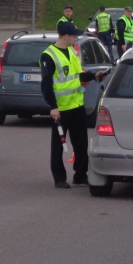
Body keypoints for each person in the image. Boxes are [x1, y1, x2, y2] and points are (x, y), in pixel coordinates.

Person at [41, 22, 106, 188]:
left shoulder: (71, 51)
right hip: (61, 108)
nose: (76, 38)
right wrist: (53, 107)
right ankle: (59, 178)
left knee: (81, 143)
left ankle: (80, 175)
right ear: (65, 36)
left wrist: (94, 76)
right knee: (58, 145)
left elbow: (78, 75)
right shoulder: (48, 55)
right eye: (74, 36)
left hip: (77, 105)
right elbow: (46, 84)